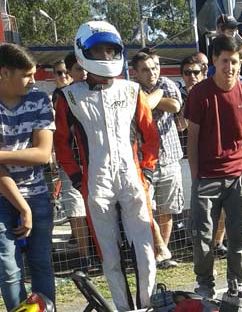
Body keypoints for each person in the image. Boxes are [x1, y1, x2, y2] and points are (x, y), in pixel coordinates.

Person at [54, 21, 159, 311]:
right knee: (110, 256)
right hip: (95, 182)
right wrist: (77, 178)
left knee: (146, 250)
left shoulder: (132, 90)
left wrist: (147, 170)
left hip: (133, 178)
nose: (105, 55)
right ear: (83, 51)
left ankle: (148, 305)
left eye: (110, 50)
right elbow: (61, 143)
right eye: (98, 50)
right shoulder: (69, 96)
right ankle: (123, 308)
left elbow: (150, 135)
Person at [185, 35, 242, 300]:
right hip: (206, 178)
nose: (230, 67)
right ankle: (205, 284)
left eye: (235, 62)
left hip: (237, 177)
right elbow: (192, 139)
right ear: (214, 61)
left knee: (238, 237)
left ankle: (237, 284)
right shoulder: (199, 93)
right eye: (225, 61)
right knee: (202, 237)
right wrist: (196, 177)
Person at [0, 44, 56, 310]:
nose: (33, 80)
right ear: (4, 73)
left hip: (37, 193)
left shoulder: (40, 99)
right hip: (3, 198)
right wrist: (23, 207)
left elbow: (43, 154)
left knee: (42, 263)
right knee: (9, 268)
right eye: (27, 75)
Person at [131, 52, 184, 268]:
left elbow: (175, 106)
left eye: (154, 68)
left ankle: (163, 254)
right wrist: (157, 98)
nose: (152, 73)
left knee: (166, 209)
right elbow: (142, 110)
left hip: (170, 156)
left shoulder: (166, 83)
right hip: (144, 161)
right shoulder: (131, 89)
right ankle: (156, 249)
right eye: (145, 69)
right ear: (135, 72)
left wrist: (156, 97)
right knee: (145, 208)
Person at [54, 53, 92, 270]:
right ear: (70, 73)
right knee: (76, 210)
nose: (83, 73)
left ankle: (103, 255)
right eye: (78, 69)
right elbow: (61, 137)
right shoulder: (62, 97)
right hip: (72, 165)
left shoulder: (99, 90)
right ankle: (84, 258)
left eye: (85, 68)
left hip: (96, 163)